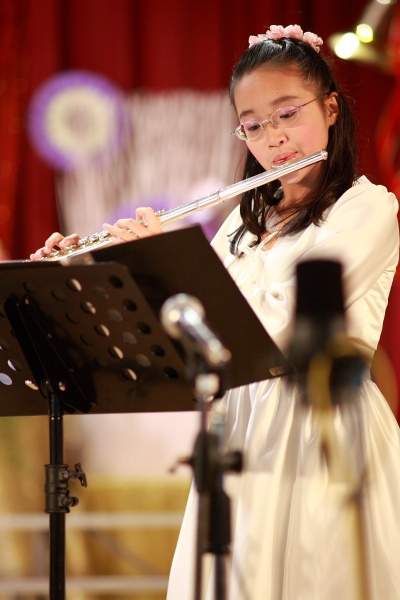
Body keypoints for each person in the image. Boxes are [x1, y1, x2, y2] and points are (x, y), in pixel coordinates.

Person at [31, 24, 400, 600]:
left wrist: (163, 259)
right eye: (253, 125)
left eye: (287, 114)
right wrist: (106, 268)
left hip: (323, 431)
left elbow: (273, 327)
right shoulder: (243, 224)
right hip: (241, 430)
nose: (273, 138)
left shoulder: (368, 209)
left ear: (330, 109)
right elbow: (196, 334)